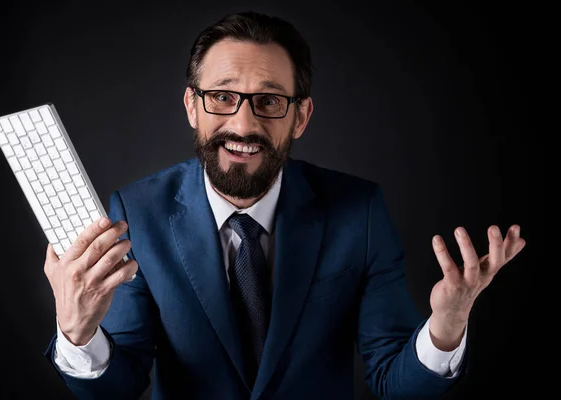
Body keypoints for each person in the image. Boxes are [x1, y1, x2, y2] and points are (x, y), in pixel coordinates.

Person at [43, 11, 526, 400]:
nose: (244, 124)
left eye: (269, 101)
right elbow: (119, 385)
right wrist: (79, 333)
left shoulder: (360, 211)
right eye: (222, 97)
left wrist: (446, 327)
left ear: (301, 116)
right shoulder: (137, 211)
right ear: (192, 106)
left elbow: (393, 383)